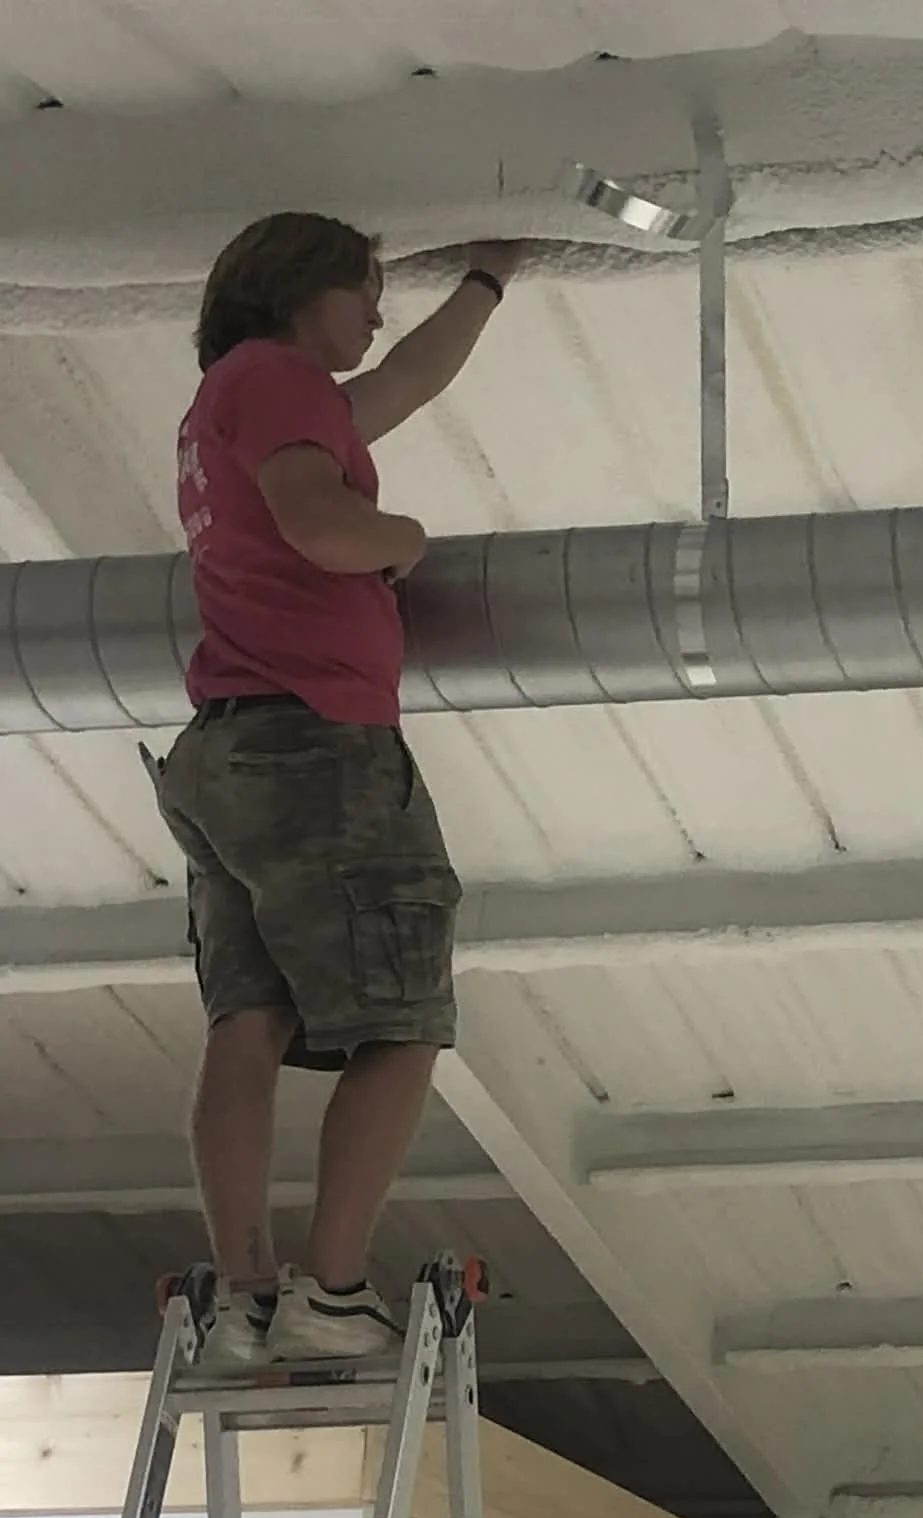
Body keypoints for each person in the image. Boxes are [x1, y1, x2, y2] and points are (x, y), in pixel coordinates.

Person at [151, 212, 521, 1365]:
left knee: (245, 1021)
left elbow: (403, 382)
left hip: (227, 754)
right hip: (317, 744)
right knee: (404, 1020)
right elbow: (322, 528)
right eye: (364, 292)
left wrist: (488, 282)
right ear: (301, 290)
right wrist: (399, 537)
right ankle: (333, 1288)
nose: (376, 315)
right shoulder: (275, 382)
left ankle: (247, 1295)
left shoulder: (239, 405)